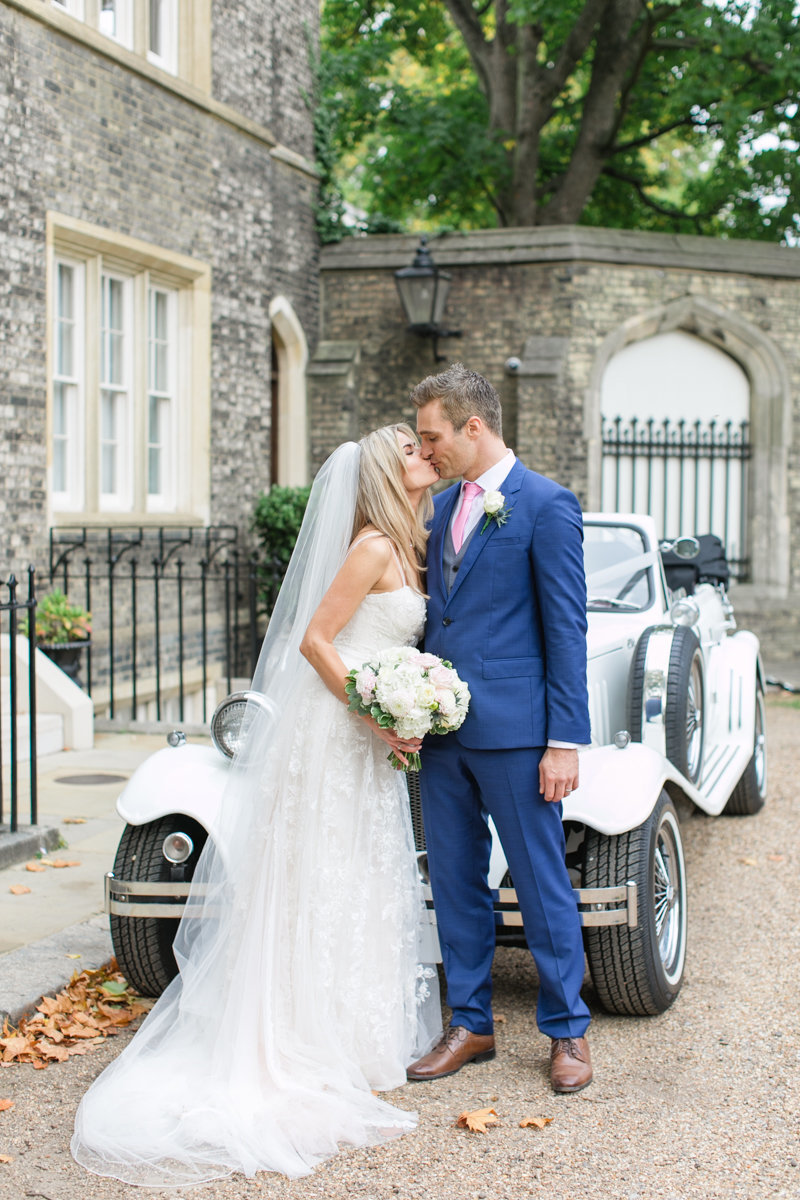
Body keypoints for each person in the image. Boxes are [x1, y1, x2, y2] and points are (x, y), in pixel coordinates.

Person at [71, 425, 442, 1188]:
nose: (422, 456)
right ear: (382, 474)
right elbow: (314, 639)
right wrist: (375, 711)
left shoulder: (411, 545)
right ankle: (301, 1041)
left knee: (359, 877)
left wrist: (405, 708)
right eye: (408, 450)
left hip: (364, 742)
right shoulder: (373, 545)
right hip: (333, 737)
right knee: (322, 877)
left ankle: (349, 1036)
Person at [406, 364, 593, 1094]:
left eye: (433, 437)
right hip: (442, 733)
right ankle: (472, 1022)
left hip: (520, 736)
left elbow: (566, 629)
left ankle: (568, 1031)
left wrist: (563, 740)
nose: (425, 452)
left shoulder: (546, 506)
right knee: (454, 883)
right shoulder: (441, 503)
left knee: (542, 883)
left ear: (473, 427)